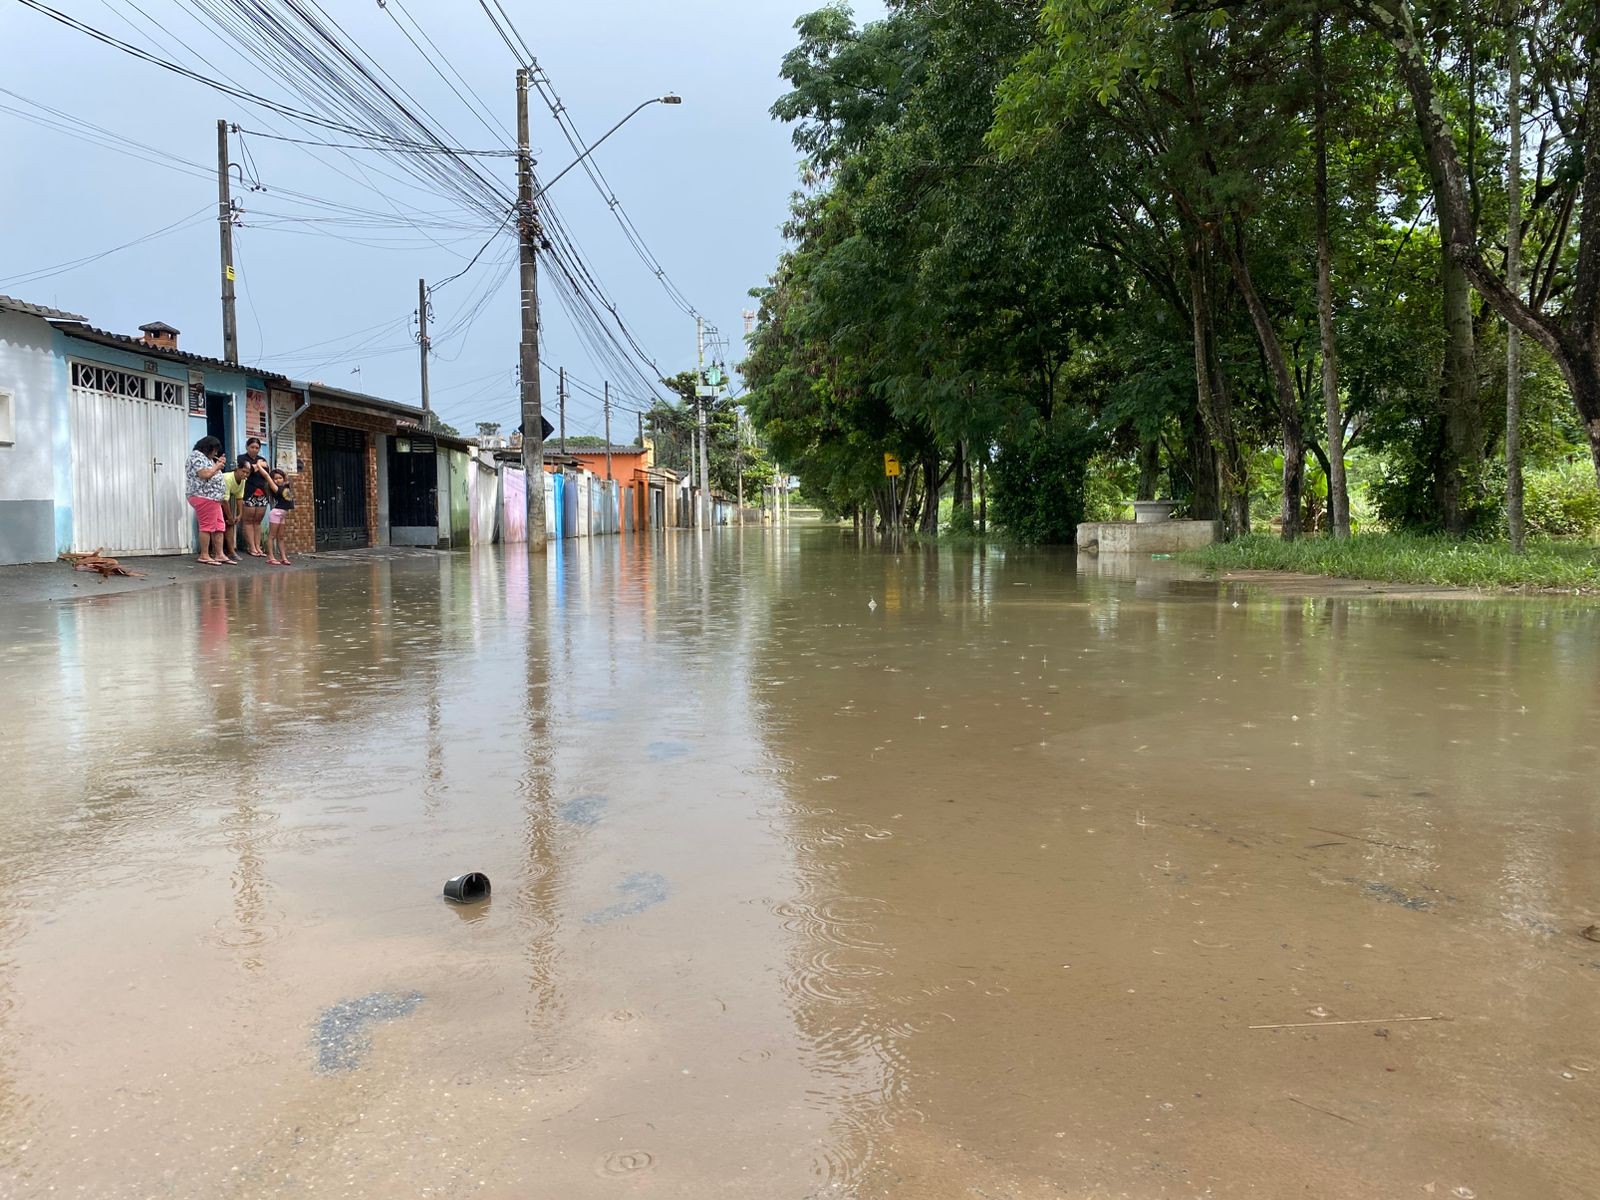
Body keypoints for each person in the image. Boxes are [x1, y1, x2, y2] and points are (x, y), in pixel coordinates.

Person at [185, 436, 229, 565]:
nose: (215, 454)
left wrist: (217, 464)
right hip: (203, 496)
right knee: (207, 527)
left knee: (219, 526)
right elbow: (204, 475)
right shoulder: (196, 456)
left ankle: (219, 554)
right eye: (214, 451)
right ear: (208, 448)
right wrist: (217, 466)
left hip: (213, 498)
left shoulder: (207, 459)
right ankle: (204, 555)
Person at [239, 437, 271, 557]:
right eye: (252, 447)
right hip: (249, 492)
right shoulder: (242, 458)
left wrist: (256, 466)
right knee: (248, 521)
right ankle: (251, 547)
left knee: (257, 522)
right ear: (247, 447)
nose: (254, 450)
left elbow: (266, 473)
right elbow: (247, 470)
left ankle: (258, 547)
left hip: (262, 493)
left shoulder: (262, 459)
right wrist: (258, 465)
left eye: (257, 448)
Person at [220, 458, 251, 564]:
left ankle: (231, 552)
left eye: (247, 473)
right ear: (237, 469)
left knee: (229, 525)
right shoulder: (227, 478)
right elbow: (224, 500)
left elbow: (239, 498)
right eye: (243, 471)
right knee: (219, 526)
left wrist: (239, 514)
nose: (245, 474)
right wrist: (229, 517)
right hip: (214, 500)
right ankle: (216, 552)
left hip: (224, 501)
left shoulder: (243, 481)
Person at [263, 468, 296, 566]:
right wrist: (260, 467)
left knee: (281, 537)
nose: (278, 480)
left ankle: (283, 558)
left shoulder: (286, 486)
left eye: (280, 478)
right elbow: (266, 476)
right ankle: (271, 557)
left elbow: (288, 478)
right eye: (275, 478)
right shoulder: (276, 488)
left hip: (282, 514)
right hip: (276, 513)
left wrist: (285, 475)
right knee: (272, 536)